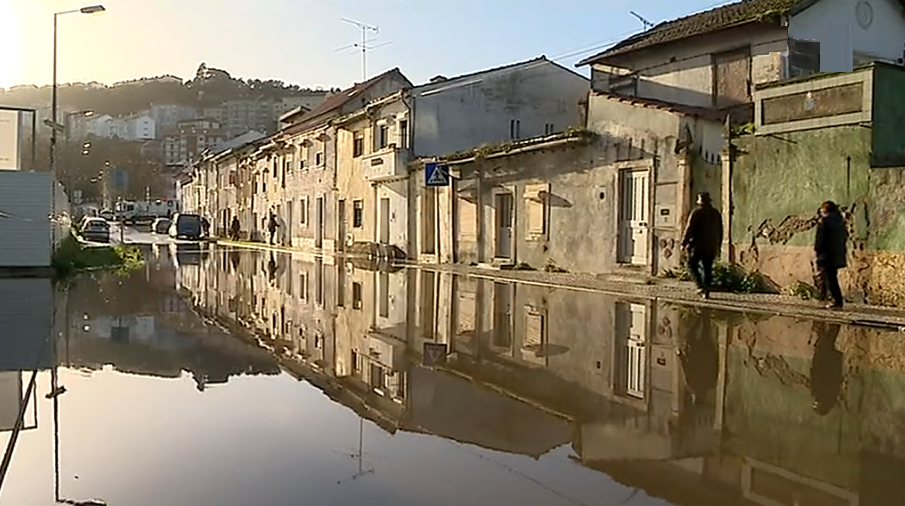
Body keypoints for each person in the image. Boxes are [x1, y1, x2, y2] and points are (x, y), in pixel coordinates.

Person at [682, 192, 723, 298]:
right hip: (711, 245)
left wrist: (684, 243)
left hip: (698, 245)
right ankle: (707, 290)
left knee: (691, 264)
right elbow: (720, 230)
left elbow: (689, 229)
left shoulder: (696, 212)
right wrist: (718, 245)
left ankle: (700, 286)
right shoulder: (715, 213)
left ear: (700, 201)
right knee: (707, 268)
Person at [814, 201, 847, 309]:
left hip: (826, 254)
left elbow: (820, 240)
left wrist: (817, 251)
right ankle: (826, 297)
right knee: (830, 277)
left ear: (824, 210)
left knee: (829, 278)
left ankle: (836, 300)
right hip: (837, 254)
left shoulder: (824, 221)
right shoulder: (840, 222)